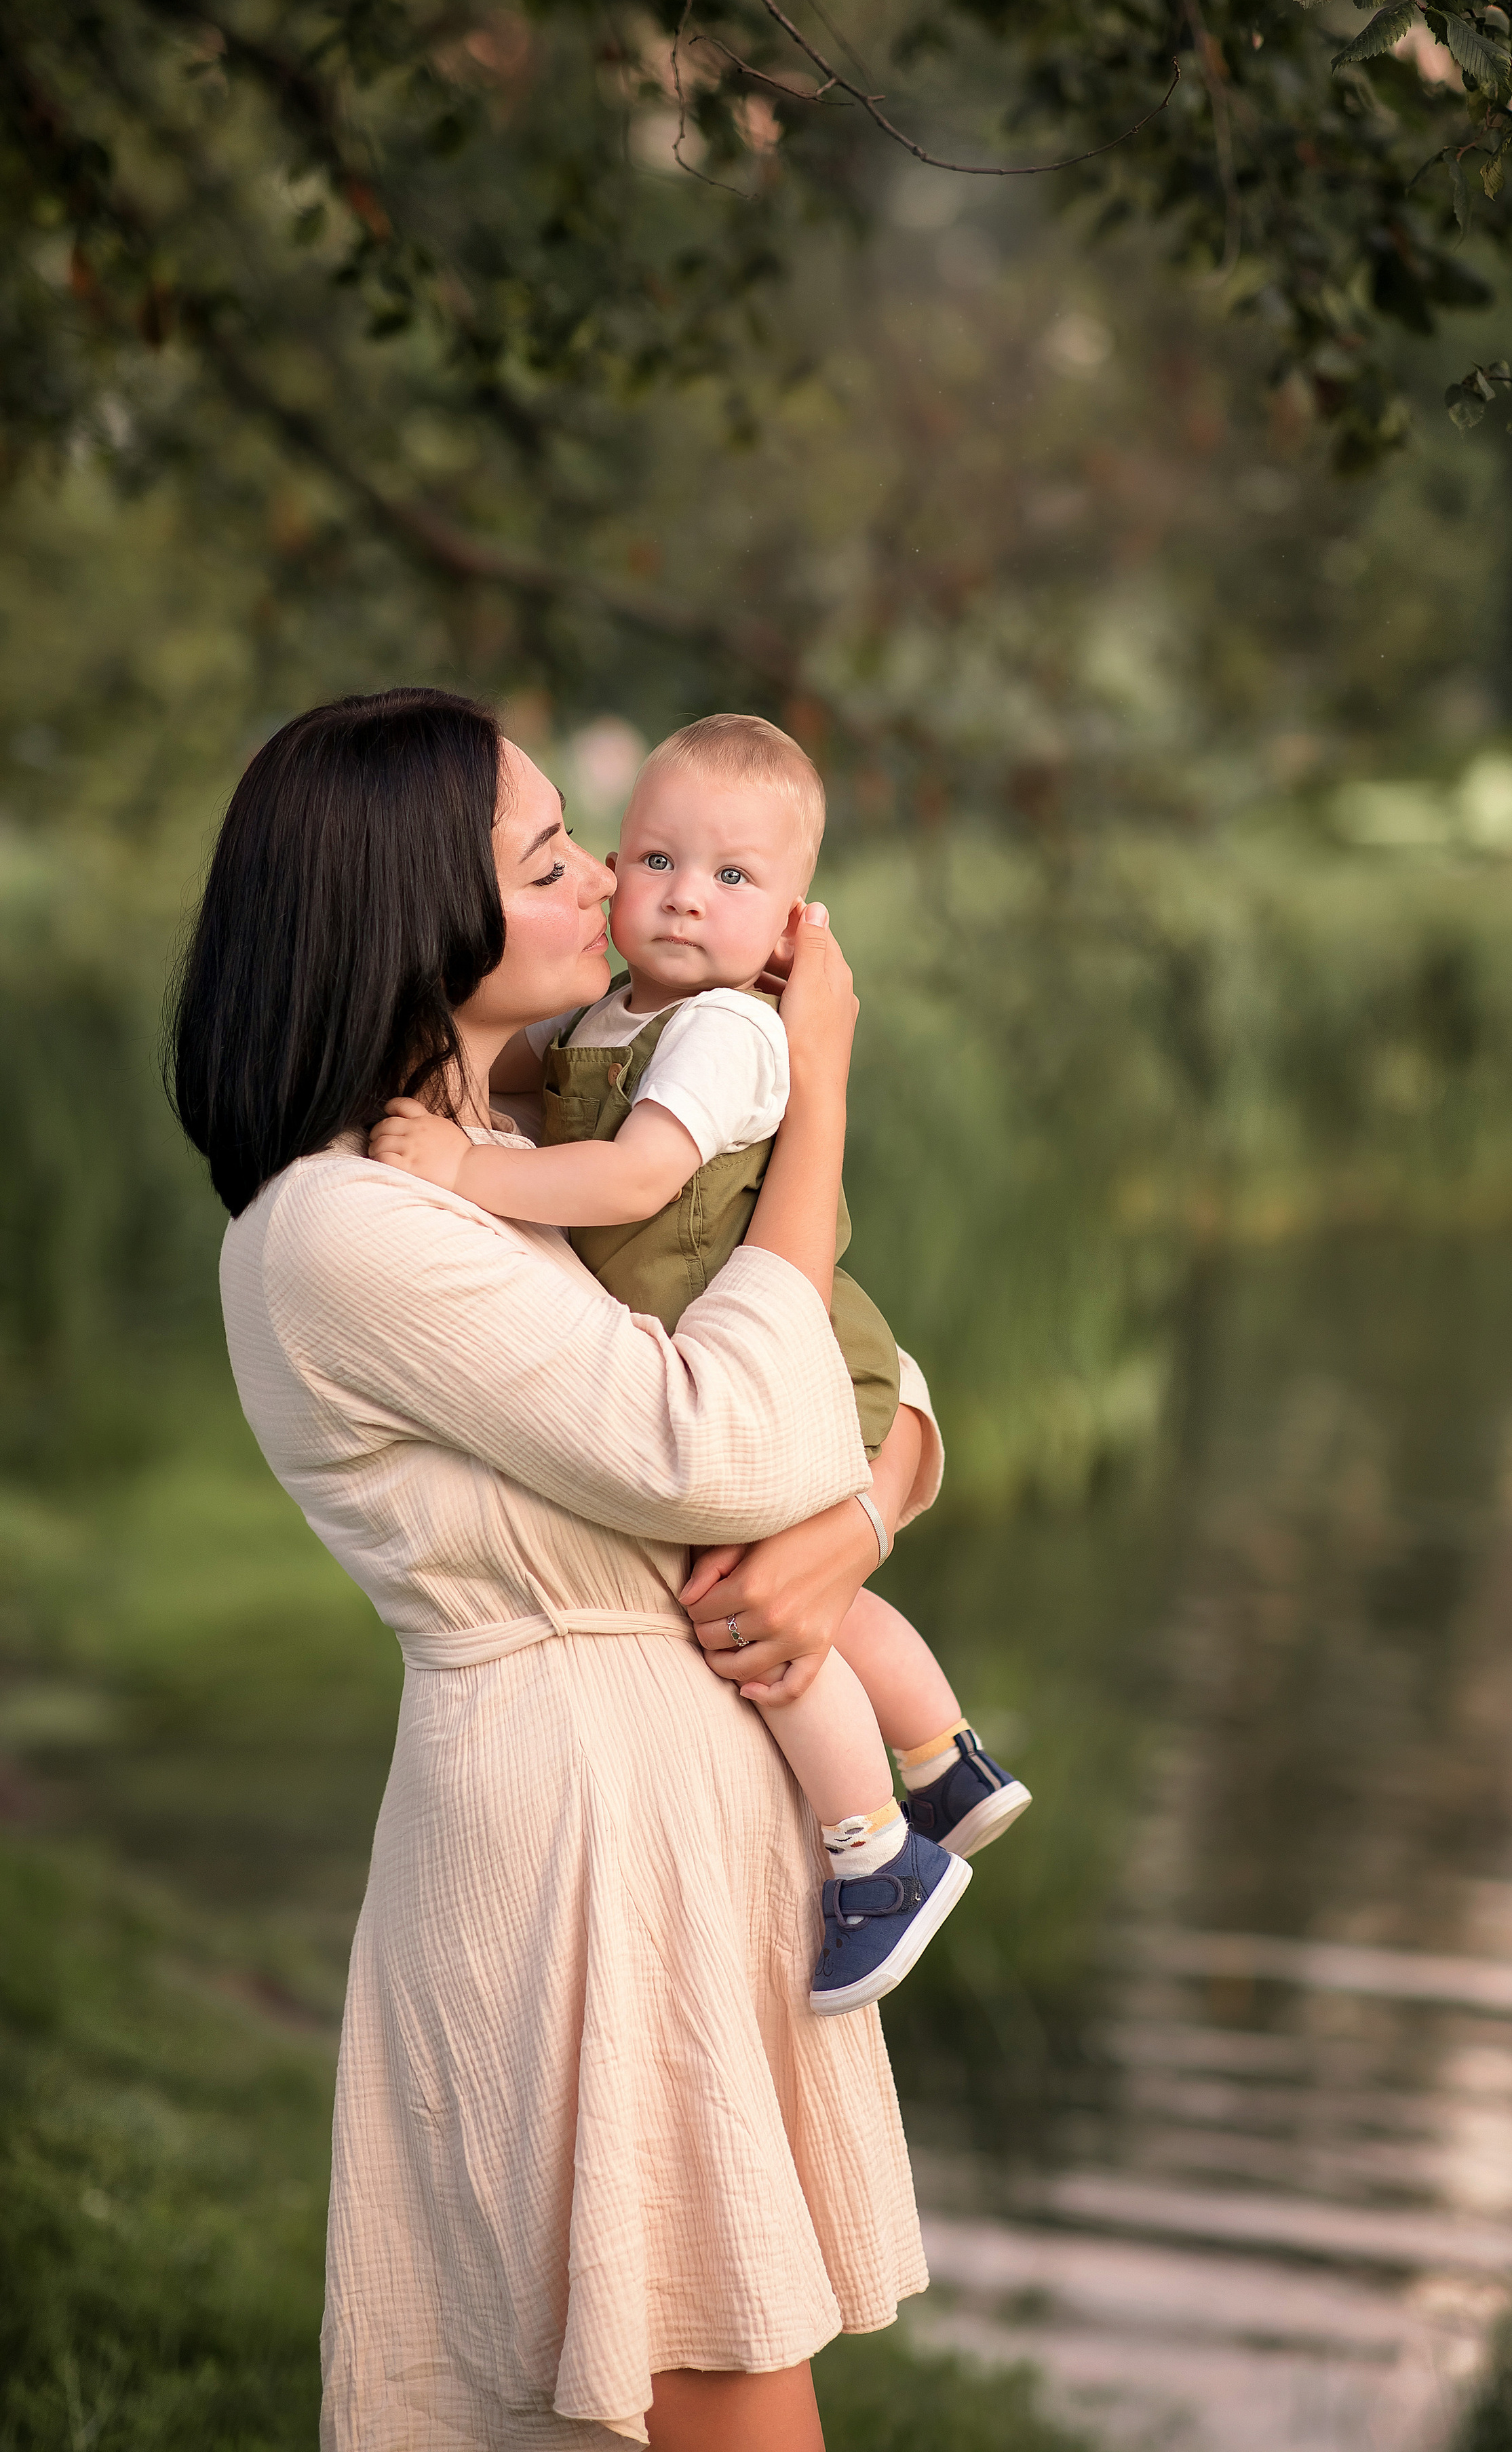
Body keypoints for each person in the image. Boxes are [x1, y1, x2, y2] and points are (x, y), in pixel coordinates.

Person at [170, 686, 946, 2452]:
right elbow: (737, 1441)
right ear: (415, 924)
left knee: (705, 2371)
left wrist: (857, 1533)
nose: (611, 879)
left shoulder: (525, 1158)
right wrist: (813, 1087)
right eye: (551, 859)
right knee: (699, 2385)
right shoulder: (349, 1224)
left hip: (670, 1814)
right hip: (579, 1849)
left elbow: (866, 1400)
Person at [368, 714, 1031, 2016]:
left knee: (746, 1602)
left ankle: (873, 1850)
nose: (678, 896)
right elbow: (527, 1073)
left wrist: (465, 1169)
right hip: (734, 1339)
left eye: (733, 879)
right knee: (802, 1592)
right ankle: (945, 1761)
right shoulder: (618, 1016)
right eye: (654, 858)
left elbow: (634, 1173)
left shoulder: (727, 1033)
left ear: (794, 925)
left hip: (781, 1351)